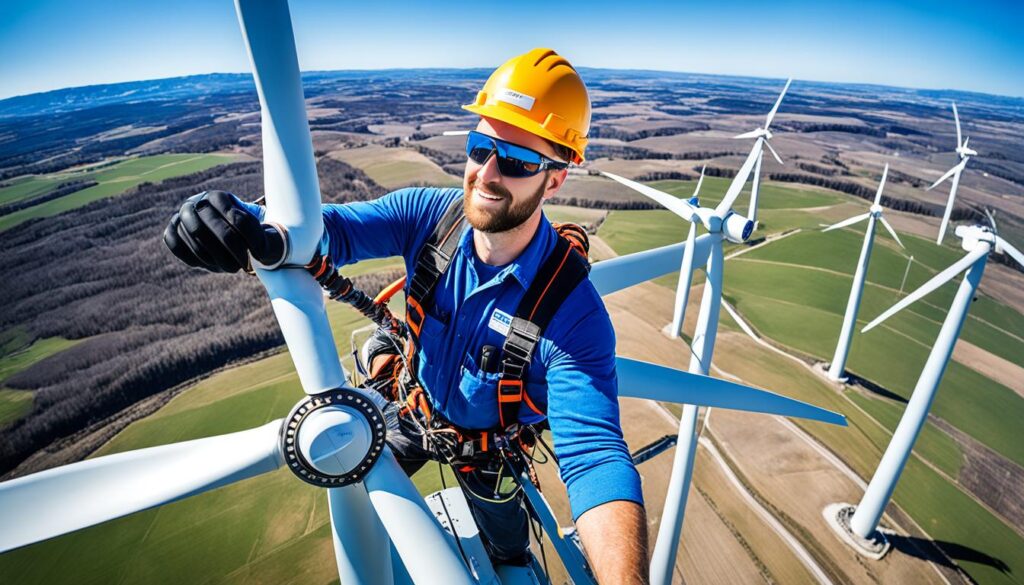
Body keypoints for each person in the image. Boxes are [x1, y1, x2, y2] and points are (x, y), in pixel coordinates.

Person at [164, 48, 648, 584]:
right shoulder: (429, 217)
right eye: (480, 147)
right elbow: (326, 234)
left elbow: (595, 458)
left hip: (489, 454)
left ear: (554, 180)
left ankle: (509, 558)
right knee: (356, 494)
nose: (486, 173)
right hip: (412, 410)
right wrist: (242, 222)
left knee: (508, 550)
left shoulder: (570, 314)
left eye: (515, 161)